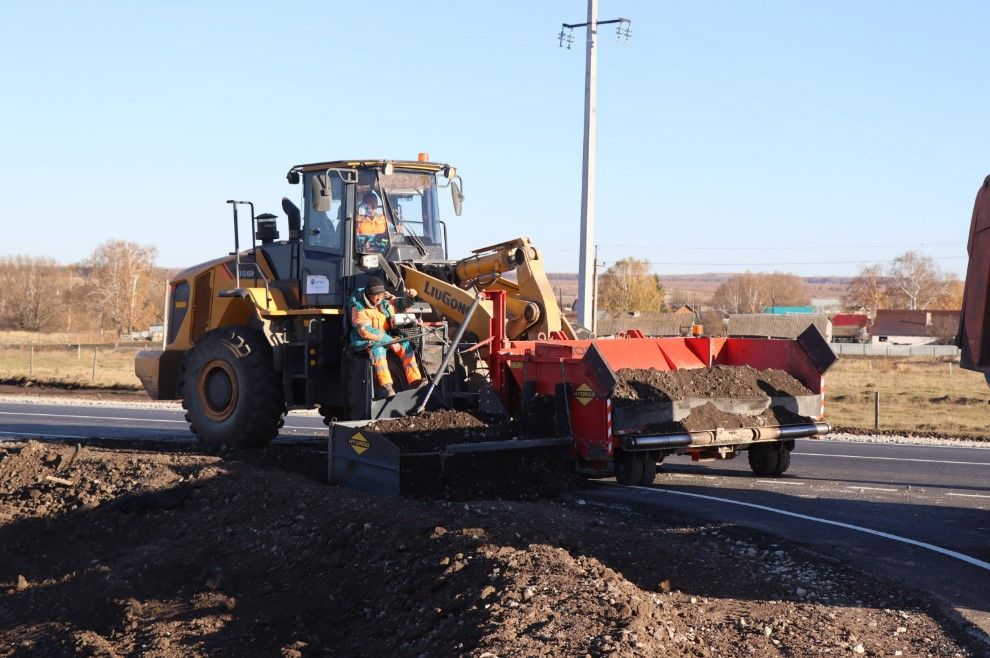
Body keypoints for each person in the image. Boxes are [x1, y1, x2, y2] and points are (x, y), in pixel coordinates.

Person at [347, 276, 424, 398]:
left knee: (406, 346)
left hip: (387, 336)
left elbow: (400, 304)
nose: (379, 298)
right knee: (378, 351)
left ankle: (415, 381)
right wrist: (389, 341)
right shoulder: (358, 307)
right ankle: (386, 387)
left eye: (381, 295)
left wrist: (410, 298)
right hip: (368, 340)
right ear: (368, 295)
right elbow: (365, 332)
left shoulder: (383, 299)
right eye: (376, 296)